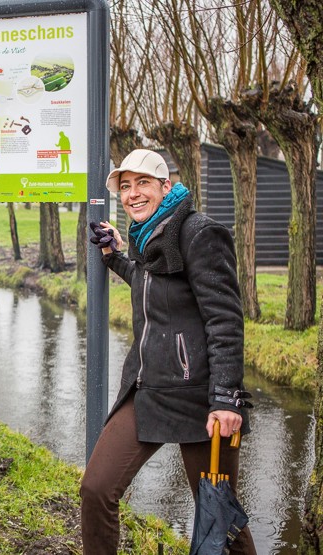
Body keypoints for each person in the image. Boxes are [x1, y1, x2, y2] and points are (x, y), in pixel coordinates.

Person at [81, 149, 256, 554]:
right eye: (125, 187)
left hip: (201, 401)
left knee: (219, 517)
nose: (133, 194)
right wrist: (116, 259)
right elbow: (153, 284)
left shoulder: (198, 232)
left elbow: (225, 320)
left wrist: (226, 399)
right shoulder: (148, 237)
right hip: (148, 389)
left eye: (143, 183)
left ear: (166, 186)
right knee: (96, 488)